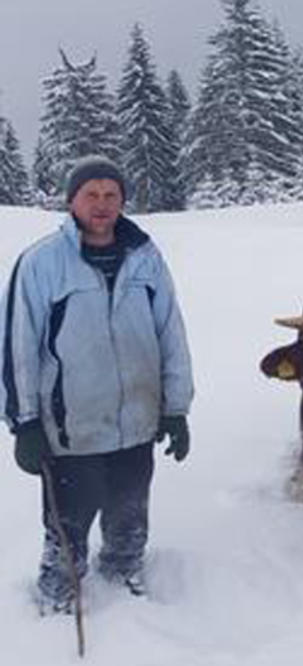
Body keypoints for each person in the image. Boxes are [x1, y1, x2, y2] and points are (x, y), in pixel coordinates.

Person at [0, 155, 194, 614]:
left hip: (136, 421)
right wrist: (24, 421)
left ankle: (124, 573)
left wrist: (176, 407)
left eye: (112, 195)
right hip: (72, 427)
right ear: (71, 201)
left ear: (124, 201)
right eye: (92, 194)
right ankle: (59, 595)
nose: (102, 204)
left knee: (129, 510)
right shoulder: (42, 262)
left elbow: (170, 332)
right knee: (69, 520)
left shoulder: (146, 257)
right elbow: (18, 347)